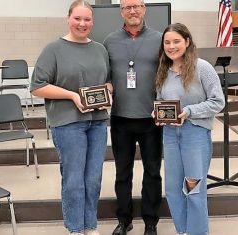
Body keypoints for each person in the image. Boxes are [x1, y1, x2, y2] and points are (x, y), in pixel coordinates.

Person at [30, 1, 111, 235]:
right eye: (77, 18)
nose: (82, 24)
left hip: (97, 122)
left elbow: (108, 81)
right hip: (67, 123)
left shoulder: (100, 49)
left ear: (92, 21)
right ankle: (75, 229)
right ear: (68, 18)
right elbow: (37, 87)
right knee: (74, 180)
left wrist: (107, 92)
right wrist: (72, 96)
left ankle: (90, 226)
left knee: (93, 179)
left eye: (87, 19)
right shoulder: (53, 49)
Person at [153, 23, 225, 235]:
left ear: (187, 42)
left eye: (176, 41)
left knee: (194, 186)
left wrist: (190, 111)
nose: (171, 46)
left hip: (195, 134)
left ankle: (197, 232)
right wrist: (157, 114)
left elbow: (218, 102)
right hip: (169, 135)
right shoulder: (163, 71)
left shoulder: (202, 67)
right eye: (167, 42)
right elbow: (160, 100)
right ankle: (183, 231)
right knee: (173, 189)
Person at [103, 1, 162, 235]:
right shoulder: (109, 41)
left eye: (137, 6)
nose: (133, 11)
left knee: (152, 172)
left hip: (152, 119)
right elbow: (105, 76)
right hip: (120, 119)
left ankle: (150, 221)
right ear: (121, 11)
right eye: (127, 7)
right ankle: (124, 219)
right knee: (122, 173)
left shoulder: (160, 39)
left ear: (144, 9)